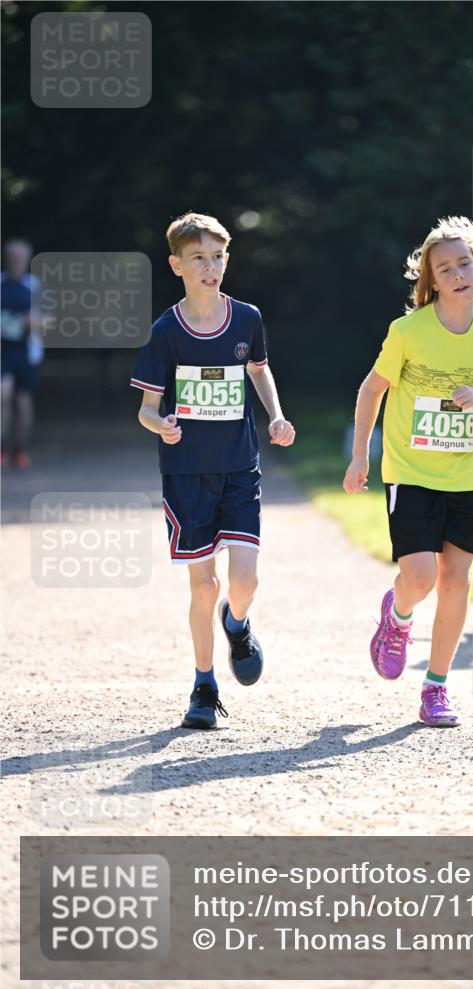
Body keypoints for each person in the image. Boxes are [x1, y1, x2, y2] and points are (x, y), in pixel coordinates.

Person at [343, 216, 473, 727]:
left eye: (464, 264)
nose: (457, 274)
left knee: (457, 582)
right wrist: (361, 455)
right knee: (420, 577)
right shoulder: (408, 331)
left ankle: (436, 689)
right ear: (431, 281)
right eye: (444, 268)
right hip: (410, 471)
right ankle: (398, 617)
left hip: (465, 477)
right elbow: (371, 390)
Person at [131, 212, 295, 728]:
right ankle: (204, 686)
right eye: (199, 257)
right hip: (186, 474)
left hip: (239, 468)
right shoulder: (166, 332)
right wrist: (163, 426)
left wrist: (276, 415)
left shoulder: (247, 318)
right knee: (203, 586)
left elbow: (259, 371)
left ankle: (238, 623)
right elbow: (146, 409)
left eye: (218, 256)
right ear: (177, 264)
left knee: (243, 581)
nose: (211, 266)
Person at [1, 239, 45, 469]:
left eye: (20, 258)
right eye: (12, 257)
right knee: (3, 394)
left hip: (27, 354)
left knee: (23, 402)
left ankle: (20, 448)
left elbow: (50, 320)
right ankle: (3, 446)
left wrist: (28, 321)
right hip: (3, 352)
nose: (16, 262)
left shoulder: (34, 286)